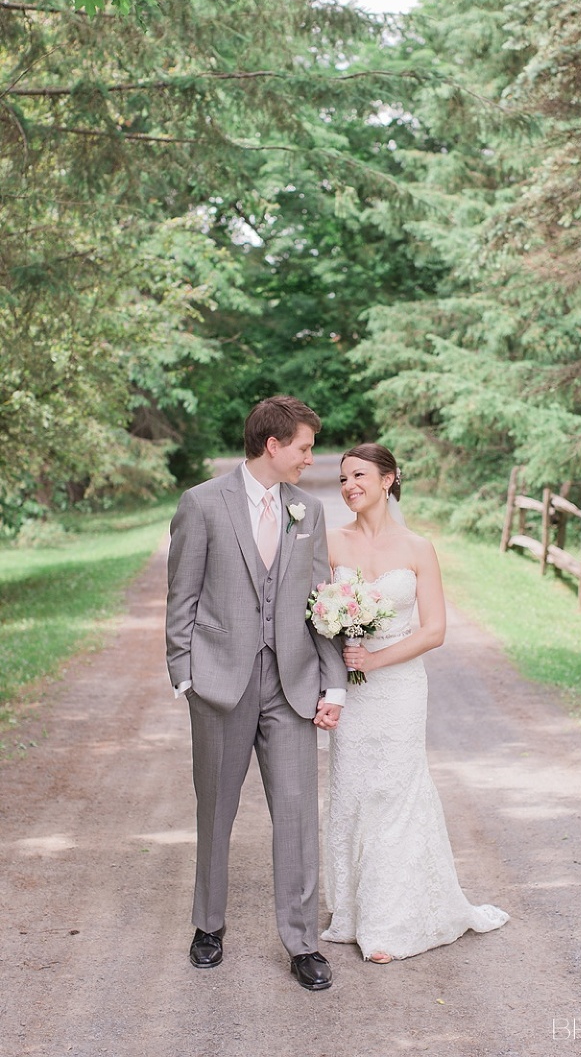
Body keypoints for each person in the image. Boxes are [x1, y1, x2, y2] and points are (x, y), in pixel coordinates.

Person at [165, 395, 348, 991]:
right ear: (273, 445)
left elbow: (321, 602)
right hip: (219, 683)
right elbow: (182, 595)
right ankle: (208, 926)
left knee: (296, 814)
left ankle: (302, 942)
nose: (310, 458)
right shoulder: (202, 503)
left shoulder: (307, 510)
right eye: (304, 447)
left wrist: (334, 683)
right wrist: (184, 672)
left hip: (292, 684)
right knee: (216, 809)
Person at [321, 443, 509, 963]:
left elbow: (434, 630)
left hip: (400, 688)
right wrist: (335, 671)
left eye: (359, 475)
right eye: (343, 479)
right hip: (352, 693)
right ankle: (351, 911)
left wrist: (374, 660)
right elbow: (314, 615)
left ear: (388, 479)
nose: (349, 486)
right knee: (352, 790)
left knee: (394, 792)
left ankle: (388, 922)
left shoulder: (418, 548)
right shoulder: (331, 542)